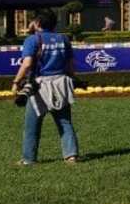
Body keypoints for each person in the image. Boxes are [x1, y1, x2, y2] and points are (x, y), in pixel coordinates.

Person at [11, 9, 79, 165]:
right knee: (64, 121)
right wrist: (74, 80)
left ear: (38, 23)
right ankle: (71, 155)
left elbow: (27, 64)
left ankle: (28, 159)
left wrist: (16, 82)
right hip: (61, 83)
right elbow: (70, 66)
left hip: (39, 86)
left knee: (32, 124)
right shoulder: (64, 39)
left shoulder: (33, 39)